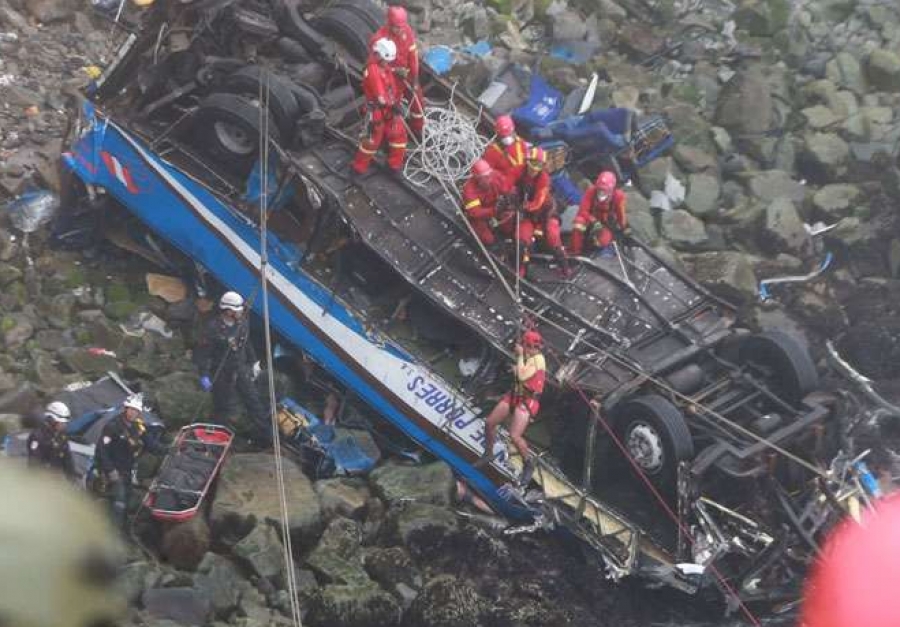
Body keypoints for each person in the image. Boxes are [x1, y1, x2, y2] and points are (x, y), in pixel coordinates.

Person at [194, 291, 269, 441]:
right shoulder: (212, 328)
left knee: (253, 400)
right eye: (237, 311)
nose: (240, 313)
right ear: (228, 311)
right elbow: (202, 354)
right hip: (221, 371)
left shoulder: (243, 324)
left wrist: (254, 362)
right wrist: (204, 375)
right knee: (222, 406)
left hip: (240, 367)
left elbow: (247, 343)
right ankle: (216, 439)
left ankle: (266, 436)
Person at [477, 329, 546, 484]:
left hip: (528, 400)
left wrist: (520, 356)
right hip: (516, 394)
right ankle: (488, 453)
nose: (530, 350)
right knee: (490, 422)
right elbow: (522, 373)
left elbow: (522, 375)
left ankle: (528, 463)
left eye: (529, 347)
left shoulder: (538, 359)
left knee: (514, 435)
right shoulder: (530, 357)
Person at [94, 393, 166, 528]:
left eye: (136, 411)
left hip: (127, 469)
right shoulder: (113, 426)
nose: (133, 413)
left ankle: (122, 528)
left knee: (128, 501)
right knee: (119, 501)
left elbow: (151, 444)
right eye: (131, 409)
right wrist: (110, 470)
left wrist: (168, 450)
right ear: (125, 408)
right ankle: (113, 532)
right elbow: (101, 450)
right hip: (113, 469)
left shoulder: (138, 427)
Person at [352, 37, 408, 175]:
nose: (387, 63)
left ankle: (394, 165)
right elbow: (381, 98)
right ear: (378, 56)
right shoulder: (373, 71)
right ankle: (358, 169)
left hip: (389, 109)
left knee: (399, 134)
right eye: (385, 60)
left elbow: (387, 73)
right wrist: (393, 105)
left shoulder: (383, 66)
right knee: (372, 142)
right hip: (377, 110)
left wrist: (395, 71)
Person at [368, 5, 424, 135]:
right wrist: (393, 70)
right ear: (389, 23)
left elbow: (412, 55)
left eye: (401, 27)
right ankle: (389, 136)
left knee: (418, 101)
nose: (399, 30)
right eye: (396, 27)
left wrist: (415, 78)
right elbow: (374, 67)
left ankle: (418, 128)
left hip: (406, 73)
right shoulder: (378, 40)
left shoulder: (407, 30)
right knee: (392, 109)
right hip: (390, 79)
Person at [517, 146, 570, 278]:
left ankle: (565, 269)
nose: (533, 171)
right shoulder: (519, 177)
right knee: (522, 240)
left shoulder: (544, 183)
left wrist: (525, 207)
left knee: (553, 239)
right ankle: (521, 270)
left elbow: (538, 204)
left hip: (546, 216)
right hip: (530, 218)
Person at [569, 170, 629, 258]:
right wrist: (593, 221)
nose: (601, 193)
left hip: (606, 225)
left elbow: (621, 216)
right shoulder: (591, 192)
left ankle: (594, 248)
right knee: (578, 222)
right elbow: (583, 211)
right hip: (590, 222)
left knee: (602, 241)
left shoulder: (618, 197)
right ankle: (575, 251)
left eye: (604, 190)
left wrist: (625, 229)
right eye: (600, 189)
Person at [461, 158, 515, 249]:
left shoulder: (495, 176)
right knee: (487, 239)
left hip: (495, 207)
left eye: (489, 175)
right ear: (477, 177)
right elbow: (475, 212)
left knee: (509, 227)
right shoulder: (469, 190)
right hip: (480, 217)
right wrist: (493, 210)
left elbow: (508, 187)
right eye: (484, 177)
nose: (489, 179)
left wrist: (510, 198)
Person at [26, 401, 74, 478]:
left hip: (56, 476)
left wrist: (72, 478)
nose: (64, 425)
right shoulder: (37, 436)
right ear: (51, 420)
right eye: (61, 422)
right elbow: (34, 463)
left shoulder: (62, 435)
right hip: (42, 479)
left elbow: (68, 459)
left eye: (65, 423)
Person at [483, 115, 528, 188]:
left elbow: (527, 159)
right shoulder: (491, 152)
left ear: (513, 131)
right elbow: (489, 174)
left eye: (508, 134)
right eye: (503, 136)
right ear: (498, 135)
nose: (507, 138)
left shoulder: (521, 143)